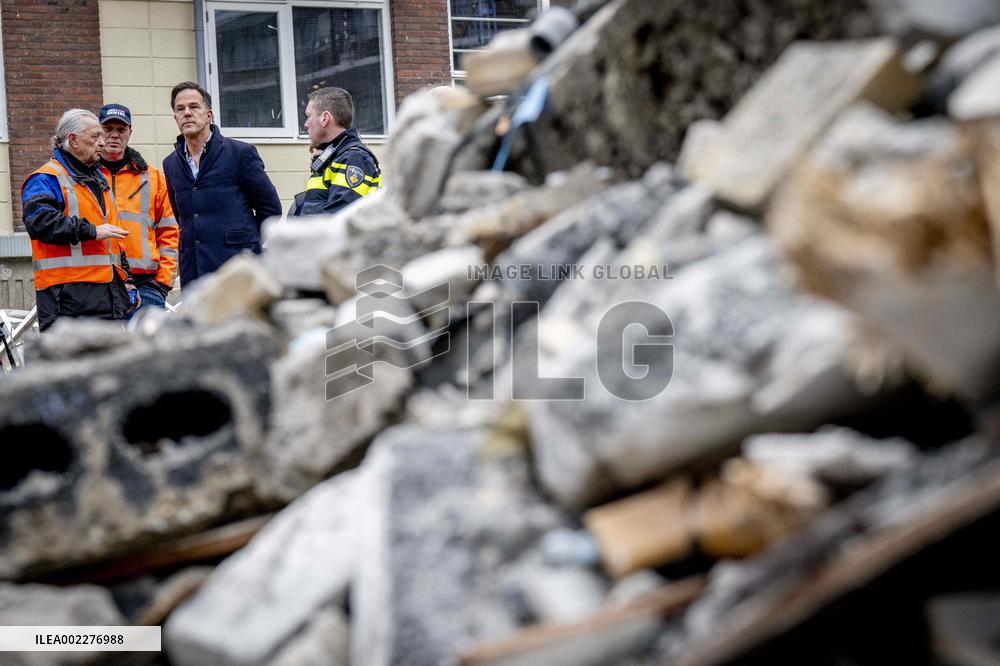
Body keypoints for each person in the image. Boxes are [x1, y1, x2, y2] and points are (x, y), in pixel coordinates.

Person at [22, 109, 136, 332]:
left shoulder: (97, 180)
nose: (102, 143)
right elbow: (40, 223)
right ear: (73, 140)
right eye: (95, 137)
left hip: (107, 298)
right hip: (67, 303)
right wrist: (91, 231)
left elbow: (112, 239)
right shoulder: (46, 178)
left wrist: (127, 280)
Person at [162, 81, 281, 286]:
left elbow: (270, 208)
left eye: (194, 107)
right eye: (180, 109)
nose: (187, 113)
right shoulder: (170, 163)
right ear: (175, 118)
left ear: (209, 115)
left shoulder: (240, 154)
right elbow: (182, 215)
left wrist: (249, 246)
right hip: (194, 273)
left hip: (238, 269)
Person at [98, 103, 178, 313]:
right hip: (97, 283)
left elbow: (169, 231)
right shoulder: (84, 175)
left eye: (121, 130)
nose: (114, 135)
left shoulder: (153, 178)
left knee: (151, 346)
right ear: (98, 132)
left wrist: (162, 284)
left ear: (130, 133)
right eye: (108, 129)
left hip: (147, 286)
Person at [290, 87, 382, 217]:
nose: (306, 124)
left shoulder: (354, 158)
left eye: (309, 116)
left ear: (324, 118)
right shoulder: (334, 157)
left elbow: (339, 219)